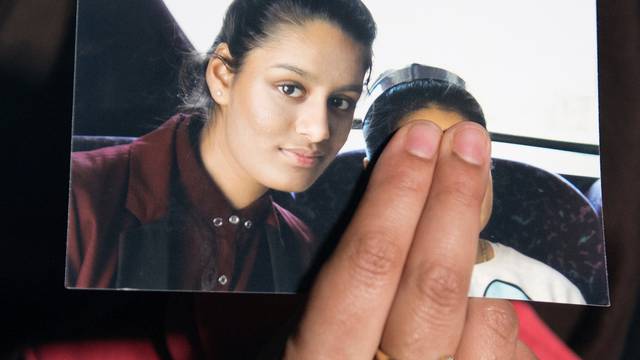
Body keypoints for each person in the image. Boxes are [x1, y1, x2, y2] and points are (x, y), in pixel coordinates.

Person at [66, 0, 376, 292]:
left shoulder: (299, 249)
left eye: (340, 102)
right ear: (222, 77)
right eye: (290, 88)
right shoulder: (78, 200)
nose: (319, 130)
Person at [361, 64, 586, 305]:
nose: (454, 185)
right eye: (423, 161)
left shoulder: (552, 291)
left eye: (469, 158)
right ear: (371, 177)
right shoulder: (357, 286)